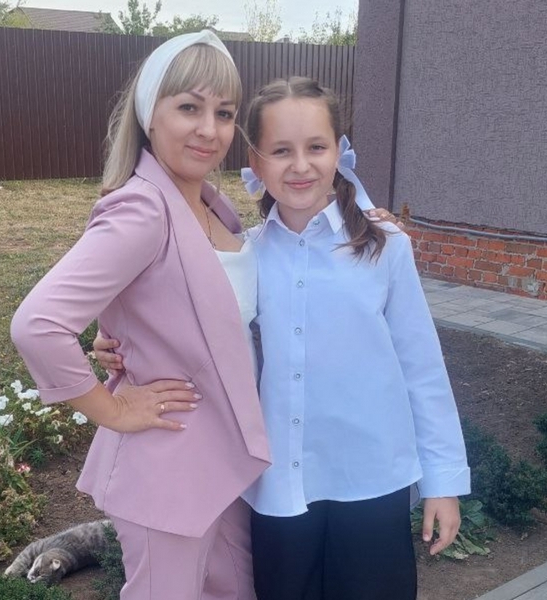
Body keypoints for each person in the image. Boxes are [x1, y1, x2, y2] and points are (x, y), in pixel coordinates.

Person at [96, 76, 470, 600]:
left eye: (316, 147)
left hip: (371, 480)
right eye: (280, 150)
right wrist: (115, 345)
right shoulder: (241, 256)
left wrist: (443, 480)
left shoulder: (384, 248)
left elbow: (422, 368)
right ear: (255, 159)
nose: (300, 166)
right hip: (278, 490)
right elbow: (179, 323)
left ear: (339, 151)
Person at [11, 30, 273, 600]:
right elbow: (38, 324)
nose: (209, 129)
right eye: (189, 108)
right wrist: (111, 409)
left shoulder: (212, 205)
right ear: (150, 114)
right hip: (168, 470)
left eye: (224, 113)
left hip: (224, 464)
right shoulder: (142, 209)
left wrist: (360, 221)